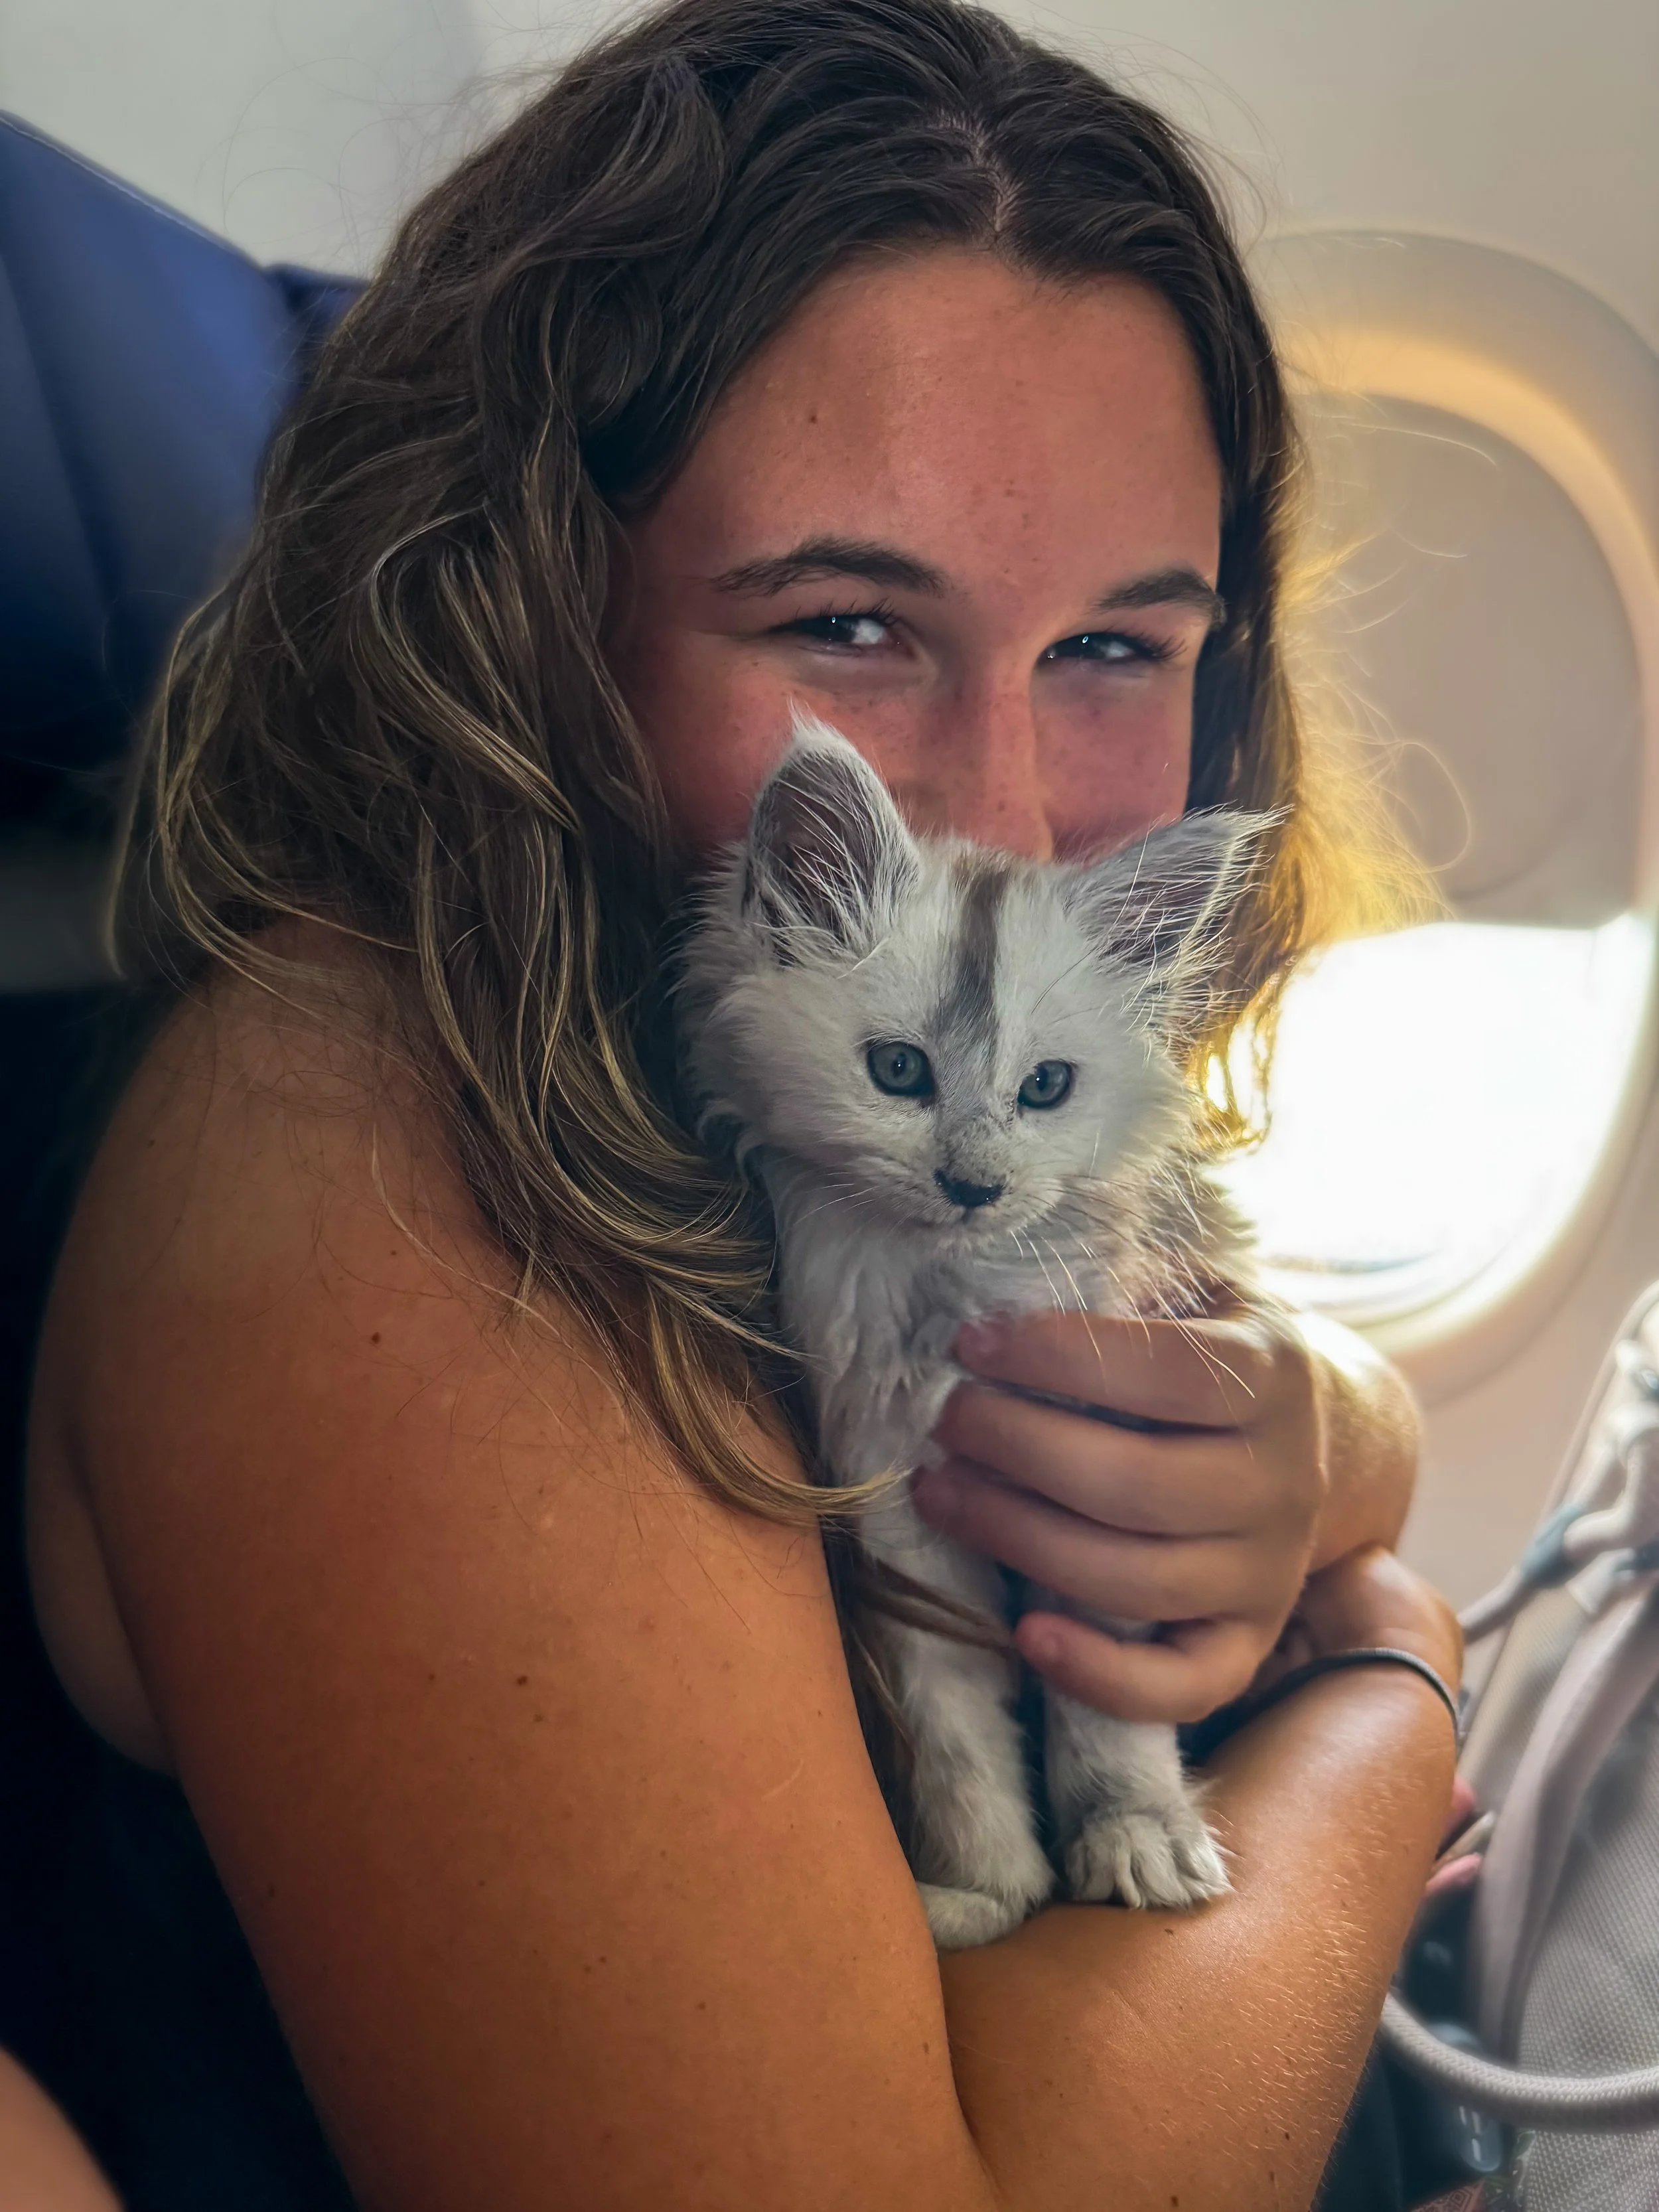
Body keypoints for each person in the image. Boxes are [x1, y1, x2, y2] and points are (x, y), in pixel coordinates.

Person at [23, 2, 1461, 2205]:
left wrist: (1344, 1434)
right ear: (513, 607)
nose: (1001, 809)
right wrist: (1392, 1671)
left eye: (1112, 648)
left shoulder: (726, 1094)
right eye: (848, 623)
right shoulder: (362, 1172)